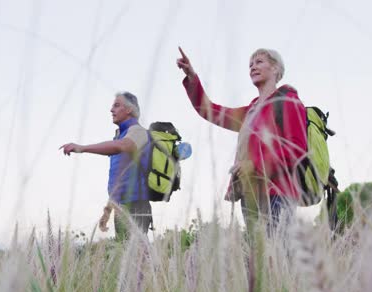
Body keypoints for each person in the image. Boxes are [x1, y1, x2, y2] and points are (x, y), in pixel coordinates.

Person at [176, 47, 307, 234]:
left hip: (277, 193)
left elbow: (297, 150)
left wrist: (255, 165)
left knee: (279, 256)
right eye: (250, 64)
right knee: (258, 258)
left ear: (276, 69)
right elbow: (209, 111)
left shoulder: (288, 102)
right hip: (250, 193)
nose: (253, 67)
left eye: (259, 62)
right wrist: (191, 77)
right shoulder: (250, 112)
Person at [60, 91, 152, 241]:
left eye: (116, 105)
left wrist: (82, 148)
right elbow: (119, 180)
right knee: (127, 258)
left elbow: (123, 146)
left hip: (137, 206)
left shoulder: (138, 132)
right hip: (121, 208)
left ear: (129, 109)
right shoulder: (119, 137)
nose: (111, 110)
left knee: (138, 257)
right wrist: (107, 211)